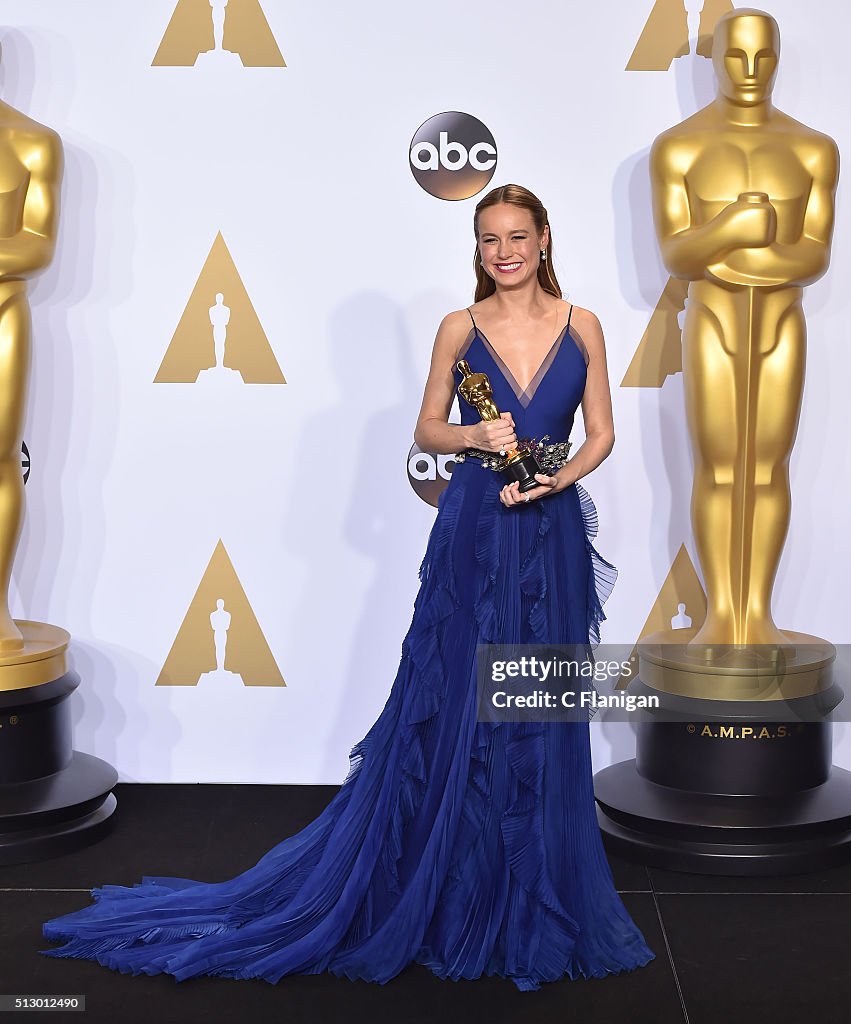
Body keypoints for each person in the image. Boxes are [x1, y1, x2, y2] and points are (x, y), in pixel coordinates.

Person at [40, 183, 656, 991]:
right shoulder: (457, 329)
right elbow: (426, 429)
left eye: (515, 235)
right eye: (487, 238)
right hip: (473, 527)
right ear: (477, 249)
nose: (502, 251)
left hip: (547, 529)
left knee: (536, 702)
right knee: (457, 700)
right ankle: (451, 884)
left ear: (544, 239)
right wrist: (474, 436)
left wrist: (553, 480)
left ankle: (536, 894)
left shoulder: (584, 326)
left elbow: (603, 432)